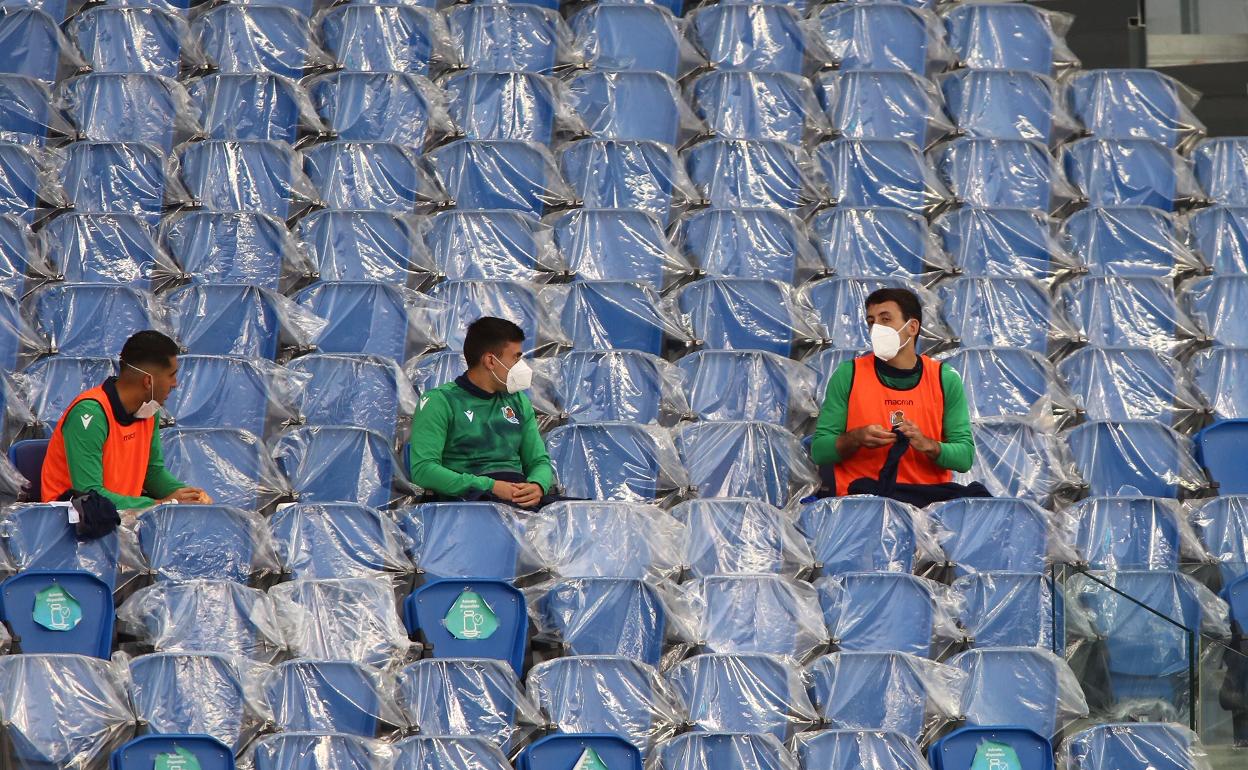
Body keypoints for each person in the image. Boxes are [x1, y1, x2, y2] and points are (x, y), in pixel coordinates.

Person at [810, 288, 984, 506]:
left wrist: (927, 444)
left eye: (885, 319)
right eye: (871, 321)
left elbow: (964, 457)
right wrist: (855, 438)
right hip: (861, 503)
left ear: (912, 327)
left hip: (928, 503)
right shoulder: (848, 374)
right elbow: (820, 451)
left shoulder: (945, 379)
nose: (876, 329)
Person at [41, 330, 212, 509]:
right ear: (148, 382)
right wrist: (160, 504)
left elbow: (152, 472)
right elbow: (89, 495)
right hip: (71, 524)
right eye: (171, 375)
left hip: (123, 520)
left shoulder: (149, 411)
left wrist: (189, 496)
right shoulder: (90, 415)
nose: (175, 384)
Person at [408, 317, 555, 508]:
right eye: (516, 357)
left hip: (519, 500)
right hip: (469, 504)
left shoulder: (519, 401)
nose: (522, 365)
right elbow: (423, 470)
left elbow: (538, 460)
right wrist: (490, 486)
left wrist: (537, 485)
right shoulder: (439, 401)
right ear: (490, 361)